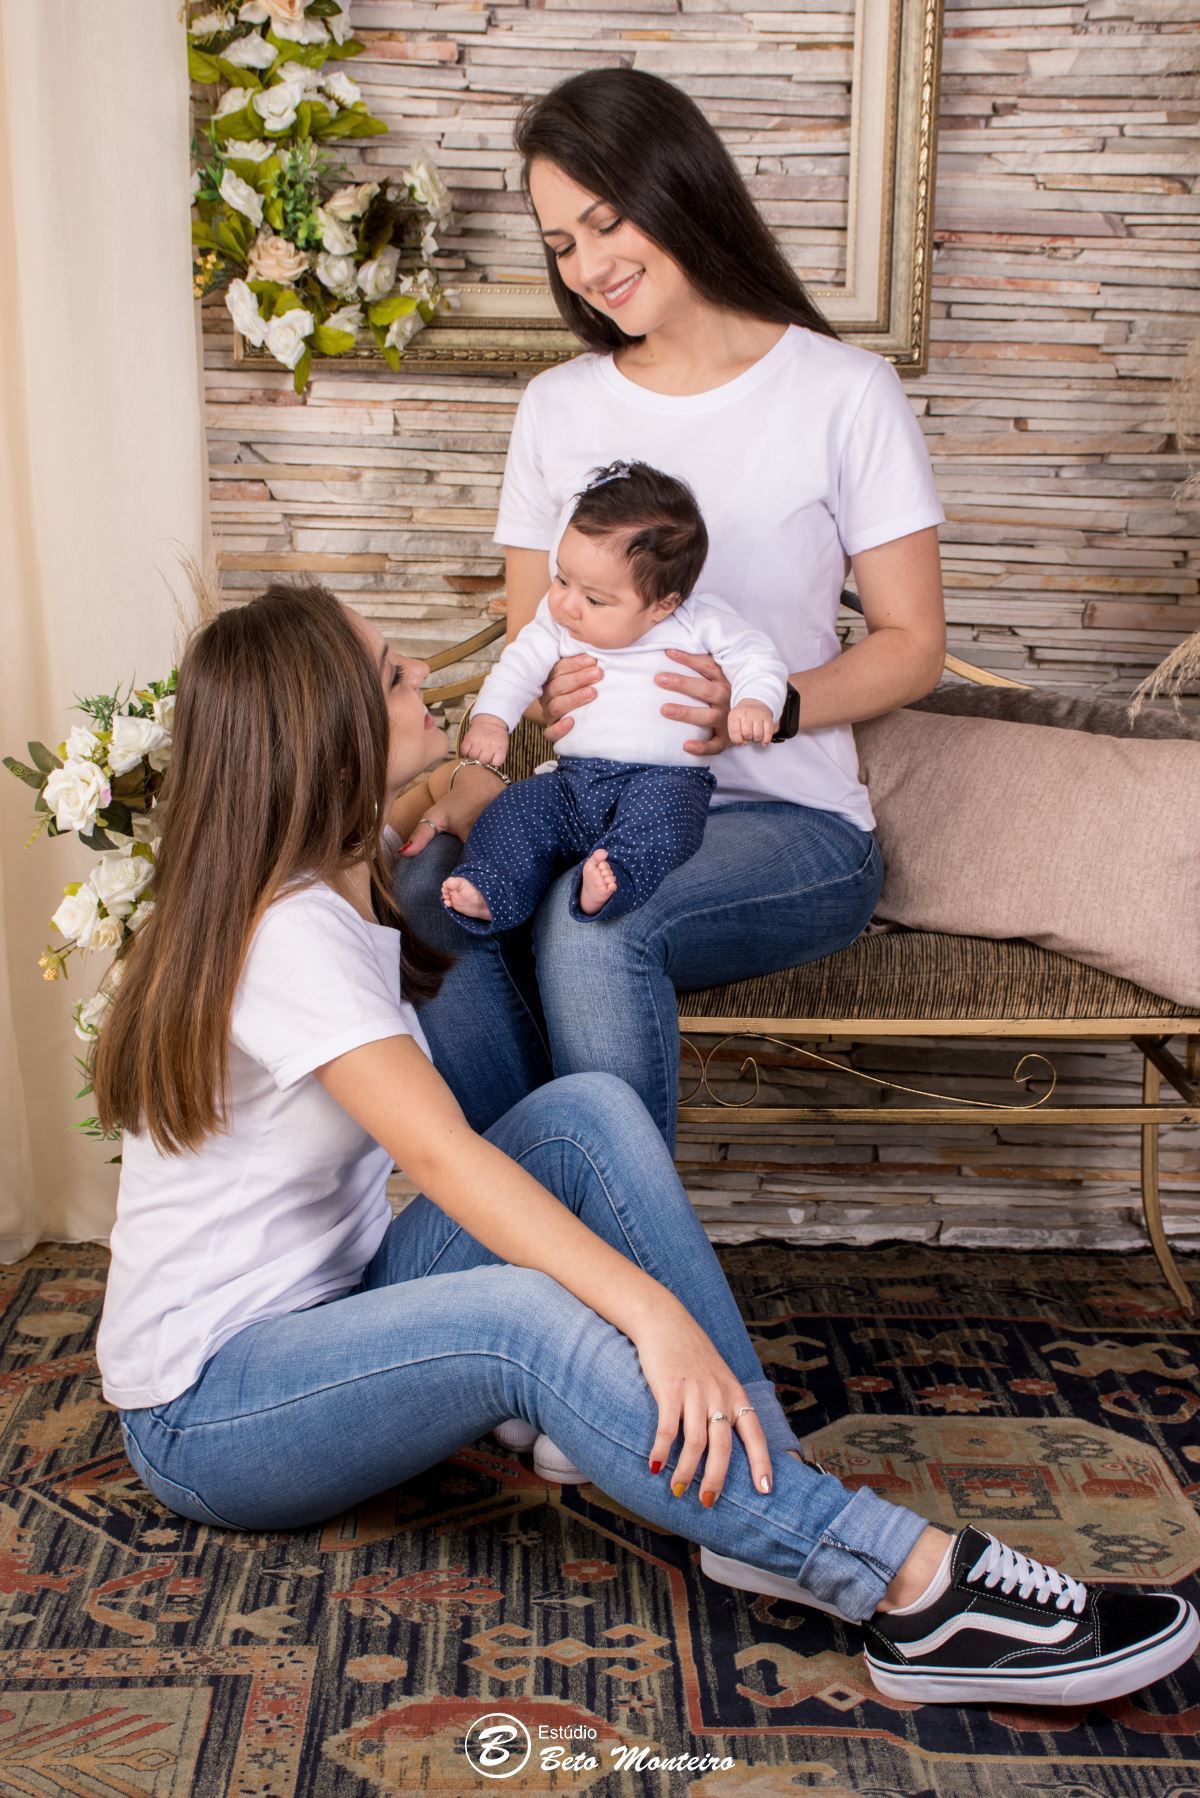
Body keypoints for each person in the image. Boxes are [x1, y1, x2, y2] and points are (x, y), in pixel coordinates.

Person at [95, 584, 1197, 1708]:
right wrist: (653, 1315)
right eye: (390, 676)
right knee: (524, 1321)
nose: (421, 671)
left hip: (331, 1308)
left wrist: (450, 786)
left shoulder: (329, 869)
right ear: (325, 741)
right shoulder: (291, 939)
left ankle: (764, 1491)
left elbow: (432, 804)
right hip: (210, 1413)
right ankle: (907, 1585)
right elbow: (446, 1162)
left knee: (587, 1113)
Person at [391, 65, 947, 1150]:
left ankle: (599, 1238)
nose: (590, 266)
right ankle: (547, 1219)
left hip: (790, 825)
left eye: (608, 222)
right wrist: (496, 754)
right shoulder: (557, 409)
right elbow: (536, 648)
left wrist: (769, 706)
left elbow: (914, 645)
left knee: (593, 922)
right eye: (562, 243)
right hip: (587, 800)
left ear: (682, 186)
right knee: (421, 891)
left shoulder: (843, 392)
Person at [442, 459, 788, 932]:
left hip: (664, 781)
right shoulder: (558, 624)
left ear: (662, 605)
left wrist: (754, 702)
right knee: (516, 809)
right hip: (572, 782)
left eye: (594, 599)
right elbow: (517, 667)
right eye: (562, 579)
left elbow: (756, 657)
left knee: (664, 826)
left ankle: (612, 882)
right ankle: (492, 886)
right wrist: (491, 720)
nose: (566, 604)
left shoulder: (698, 620)